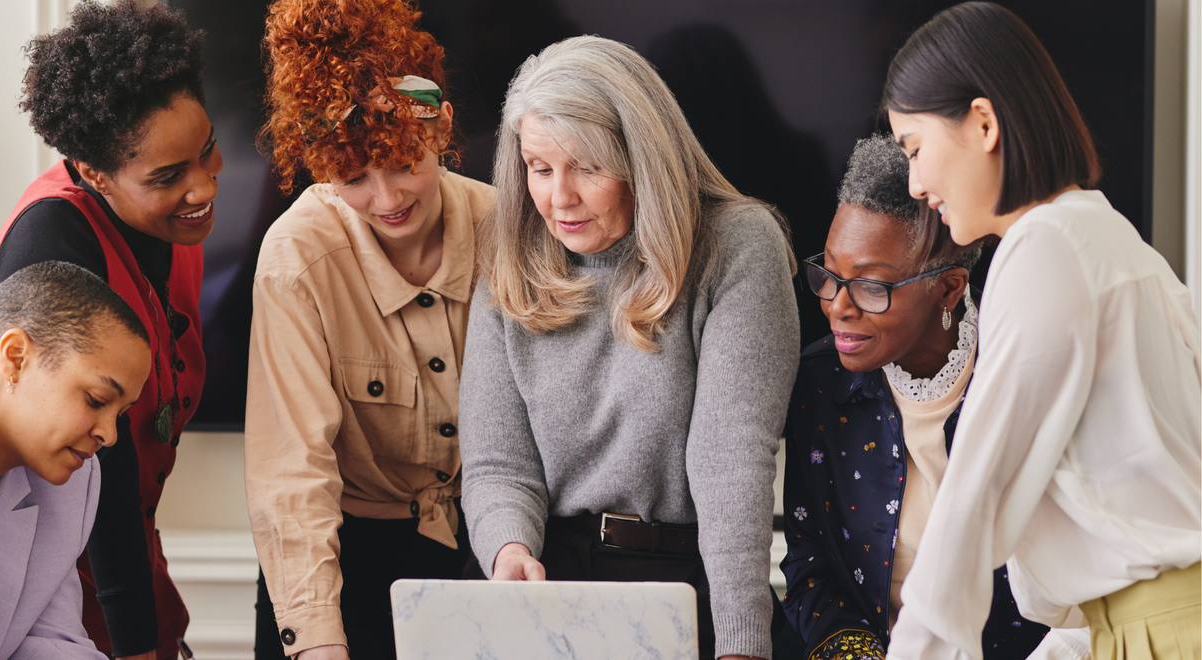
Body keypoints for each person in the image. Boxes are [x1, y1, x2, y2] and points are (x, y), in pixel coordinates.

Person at [459, 35, 799, 660]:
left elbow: (732, 465)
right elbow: (497, 464)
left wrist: (743, 645)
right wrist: (508, 549)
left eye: (586, 167)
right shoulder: (509, 257)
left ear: (642, 157)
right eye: (539, 168)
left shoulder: (736, 245)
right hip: (548, 589)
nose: (559, 197)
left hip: (683, 583)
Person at [879, 4, 1201, 660]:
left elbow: (973, 503)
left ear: (984, 122)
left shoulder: (1045, 247)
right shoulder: (1115, 243)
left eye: (915, 148)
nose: (915, 183)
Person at [243, 1, 494, 658]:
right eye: (353, 178)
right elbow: (290, 474)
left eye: (407, 163)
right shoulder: (297, 258)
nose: (388, 200)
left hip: (492, 549)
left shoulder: (508, 229)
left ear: (441, 127)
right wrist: (320, 644)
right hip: (343, 560)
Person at [781, 134, 1092, 660]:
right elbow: (810, 564)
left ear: (949, 289)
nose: (837, 306)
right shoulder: (819, 382)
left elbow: (1078, 578)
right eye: (829, 274)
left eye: (871, 286)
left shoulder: (1023, 372)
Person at [0, 3, 220, 659]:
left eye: (207, 151)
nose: (203, 188)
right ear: (93, 172)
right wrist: (139, 645)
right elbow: (100, 479)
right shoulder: (51, 244)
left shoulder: (177, 229)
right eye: (168, 177)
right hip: (56, 605)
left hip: (137, 574)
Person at [0, 262, 151, 660]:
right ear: (15, 357)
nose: (110, 434)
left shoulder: (73, 484)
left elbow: (50, 642)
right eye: (97, 400)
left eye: (120, 413)